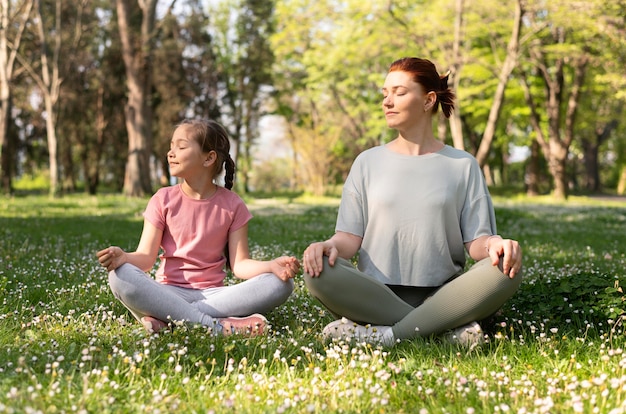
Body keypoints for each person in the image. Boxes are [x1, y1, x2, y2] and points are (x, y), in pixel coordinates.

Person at [302, 57, 523, 347]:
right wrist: (328, 246)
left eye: (399, 92)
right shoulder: (367, 162)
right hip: (374, 294)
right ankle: (442, 329)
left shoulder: (462, 165)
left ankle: (388, 335)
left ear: (429, 100)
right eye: (385, 94)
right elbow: (348, 238)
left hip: (445, 294)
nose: (387, 102)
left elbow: (477, 242)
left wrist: (495, 244)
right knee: (317, 272)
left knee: (506, 267)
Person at [97, 119, 300, 336]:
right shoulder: (162, 199)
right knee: (119, 276)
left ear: (209, 157)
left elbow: (240, 265)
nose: (170, 153)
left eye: (181, 147)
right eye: (171, 146)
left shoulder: (233, 205)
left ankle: (170, 319)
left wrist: (272, 266)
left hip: (216, 297)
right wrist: (124, 258)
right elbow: (146, 258)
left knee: (281, 284)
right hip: (168, 292)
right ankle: (217, 327)